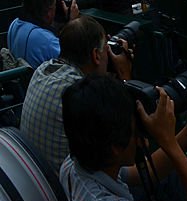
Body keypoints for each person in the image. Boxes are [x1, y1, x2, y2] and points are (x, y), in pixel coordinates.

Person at [61, 74, 187, 201]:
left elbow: (144, 173)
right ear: (115, 147)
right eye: (135, 131)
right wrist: (168, 143)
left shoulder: (76, 162)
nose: (142, 140)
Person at [20, 15, 132, 171]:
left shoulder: (44, 69)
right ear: (96, 55)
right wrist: (125, 76)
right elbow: (127, 152)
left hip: (36, 174)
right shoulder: (80, 94)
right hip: (63, 188)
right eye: (105, 48)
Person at [8, 0, 78, 68]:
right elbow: (77, 63)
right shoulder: (47, 42)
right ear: (49, 13)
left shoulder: (14, 24)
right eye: (54, 5)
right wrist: (73, 24)